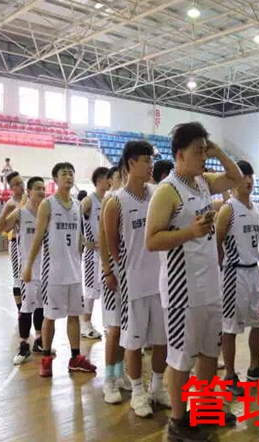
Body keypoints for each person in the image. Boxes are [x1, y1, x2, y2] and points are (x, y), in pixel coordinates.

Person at [145, 122, 243, 442]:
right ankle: (177, 422)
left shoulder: (201, 182)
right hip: (181, 291)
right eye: (198, 151)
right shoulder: (167, 191)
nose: (204, 157)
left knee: (208, 353)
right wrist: (190, 232)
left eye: (204, 150)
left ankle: (204, 409)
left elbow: (236, 178)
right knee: (181, 359)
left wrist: (218, 151)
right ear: (179, 155)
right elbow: (152, 240)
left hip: (208, 285)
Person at [106, 141, 170, 417]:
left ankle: (157, 387)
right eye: (146, 160)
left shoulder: (158, 193)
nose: (150, 165)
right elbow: (111, 243)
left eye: (151, 160)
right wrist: (117, 270)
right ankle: (137, 392)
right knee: (133, 341)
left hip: (161, 280)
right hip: (133, 282)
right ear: (131, 163)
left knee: (162, 340)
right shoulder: (116, 201)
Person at [22, 162, 97, 377]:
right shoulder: (48, 204)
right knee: (50, 317)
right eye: (64, 174)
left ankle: (75, 358)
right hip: (53, 273)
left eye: (71, 173)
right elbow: (38, 237)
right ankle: (46, 358)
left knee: (74, 316)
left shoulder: (77, 205)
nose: (69, 177)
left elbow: (77, 235)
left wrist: (86, 243)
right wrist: (28, 266)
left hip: (74, 272)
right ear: (55, 179)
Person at [215, 160, 259, 396]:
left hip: (254, 270)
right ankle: (229, 375)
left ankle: (254, 368)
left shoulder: (255, 208)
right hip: (234, 273)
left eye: (250, 176)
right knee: (230, 326)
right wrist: (221, 267)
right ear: (234, 181)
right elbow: (217, 241)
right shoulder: (228, 209)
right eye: (243, 176)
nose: (248, 180)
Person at [0, 176, 48, 364]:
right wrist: (5, 209)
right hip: (28, 270)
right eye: (38, 188)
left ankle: (39, 341)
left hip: (46, 269)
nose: (42, 192)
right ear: (29, 192)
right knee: (26, 308)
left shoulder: (47, 214)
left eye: (44, 188)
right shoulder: (20, 213)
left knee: (41, 306)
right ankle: (23, 346)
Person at [98, 166, 132, 404]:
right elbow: (103, 240)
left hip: (130, 274)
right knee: (114, 328)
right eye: (120, 176)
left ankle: (119, 372)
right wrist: (108, 270)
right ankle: (108, 379)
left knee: (124, 328)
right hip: (113, 273)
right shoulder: (110, 200)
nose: (124, 179)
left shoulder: (133, 199)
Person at [80, 167, 110, 340]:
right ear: (99, 181)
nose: (110, 181)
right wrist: (84, 241)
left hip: (108, 253)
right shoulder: (89, 200)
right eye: (107, 178)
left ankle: (108, 323)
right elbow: (73, 219)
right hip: (93, 255)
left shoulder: (110, 199)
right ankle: (86, 323)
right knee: (90, 291)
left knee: (108, 289)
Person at [0, 171, 26, 312]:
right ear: (11, 188)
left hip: (32, 242)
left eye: (21, 182)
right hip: (16, 243)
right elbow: (0, 228)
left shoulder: (31, 198)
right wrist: (8, 211)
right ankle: (20, 310)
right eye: (17, 184)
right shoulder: (10, 204)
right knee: (17, 276)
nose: (21, 185)